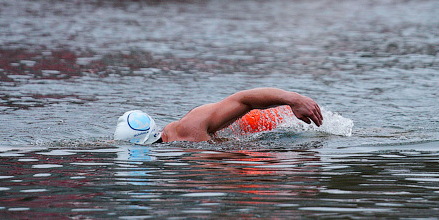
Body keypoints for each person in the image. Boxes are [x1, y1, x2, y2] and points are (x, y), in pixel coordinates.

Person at [114, 87, 323, 145]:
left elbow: (244, 99)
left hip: (268, 120)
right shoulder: (167, 137)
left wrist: (293, 99)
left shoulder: (189, 129)